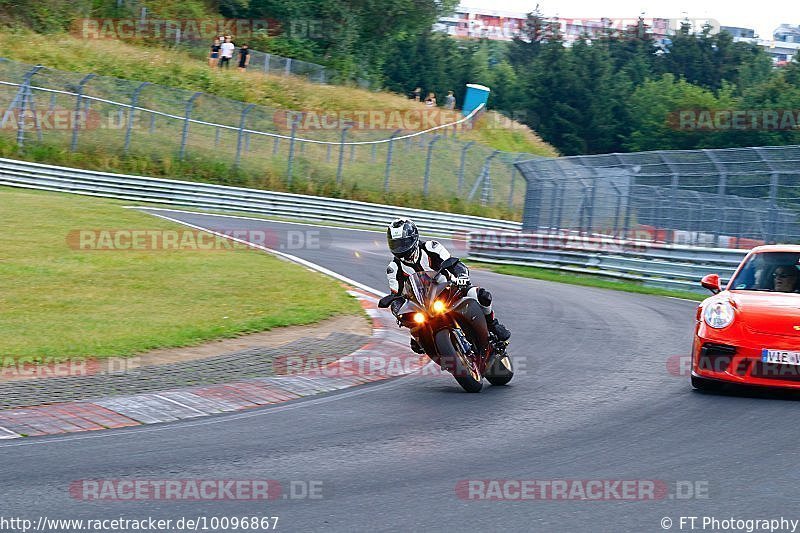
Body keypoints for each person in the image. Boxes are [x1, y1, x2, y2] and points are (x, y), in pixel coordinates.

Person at [385, 218, 510, 354]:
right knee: (417, 345)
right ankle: (452, 359)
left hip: (450, 289)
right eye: (396, 244)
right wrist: (398, 311)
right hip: (423, 307)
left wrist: (461, 276)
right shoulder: (393, 268)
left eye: (404, 243)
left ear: (414, 238)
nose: (400, 248)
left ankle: (493, 324)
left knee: (482, 296)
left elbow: (455, 264)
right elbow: (396, 296)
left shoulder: (431, 247)